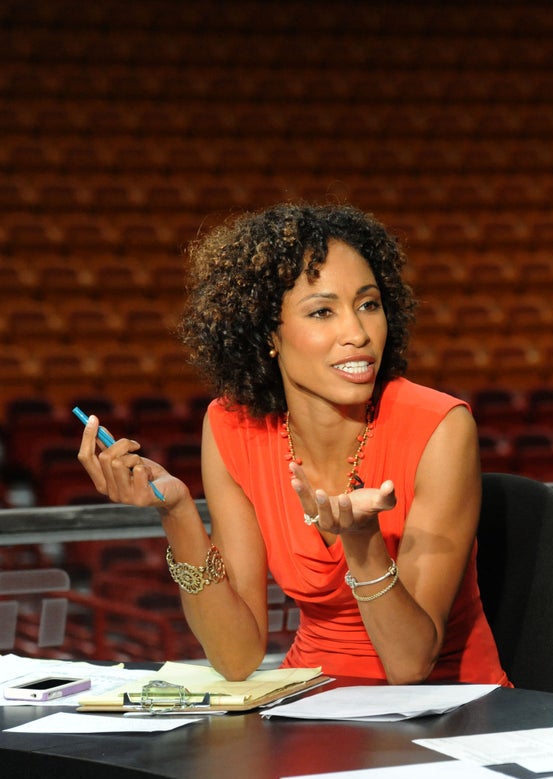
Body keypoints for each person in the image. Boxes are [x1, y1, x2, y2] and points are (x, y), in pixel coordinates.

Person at [77, 203, 510, 687]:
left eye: (368, 304)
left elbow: (410, 665)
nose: (358, 333)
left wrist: (362, 542)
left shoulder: (440, 426)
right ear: (269, 335)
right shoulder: (230, 426)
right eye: (323, 312)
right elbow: (237, 658)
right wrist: (177, 513)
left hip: (448, 708)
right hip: (309, 699)